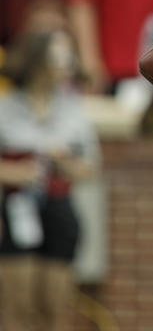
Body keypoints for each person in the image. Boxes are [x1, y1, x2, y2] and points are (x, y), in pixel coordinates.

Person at [0, 26, 100, 331]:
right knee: (18, 306)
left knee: (55, 308)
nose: (65, 66)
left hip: (58, 207)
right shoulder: (6, 108)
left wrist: (65, 164)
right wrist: (13, 172)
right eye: (59, 58)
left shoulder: (73, 110)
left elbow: (91, 166)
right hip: (18, 210)